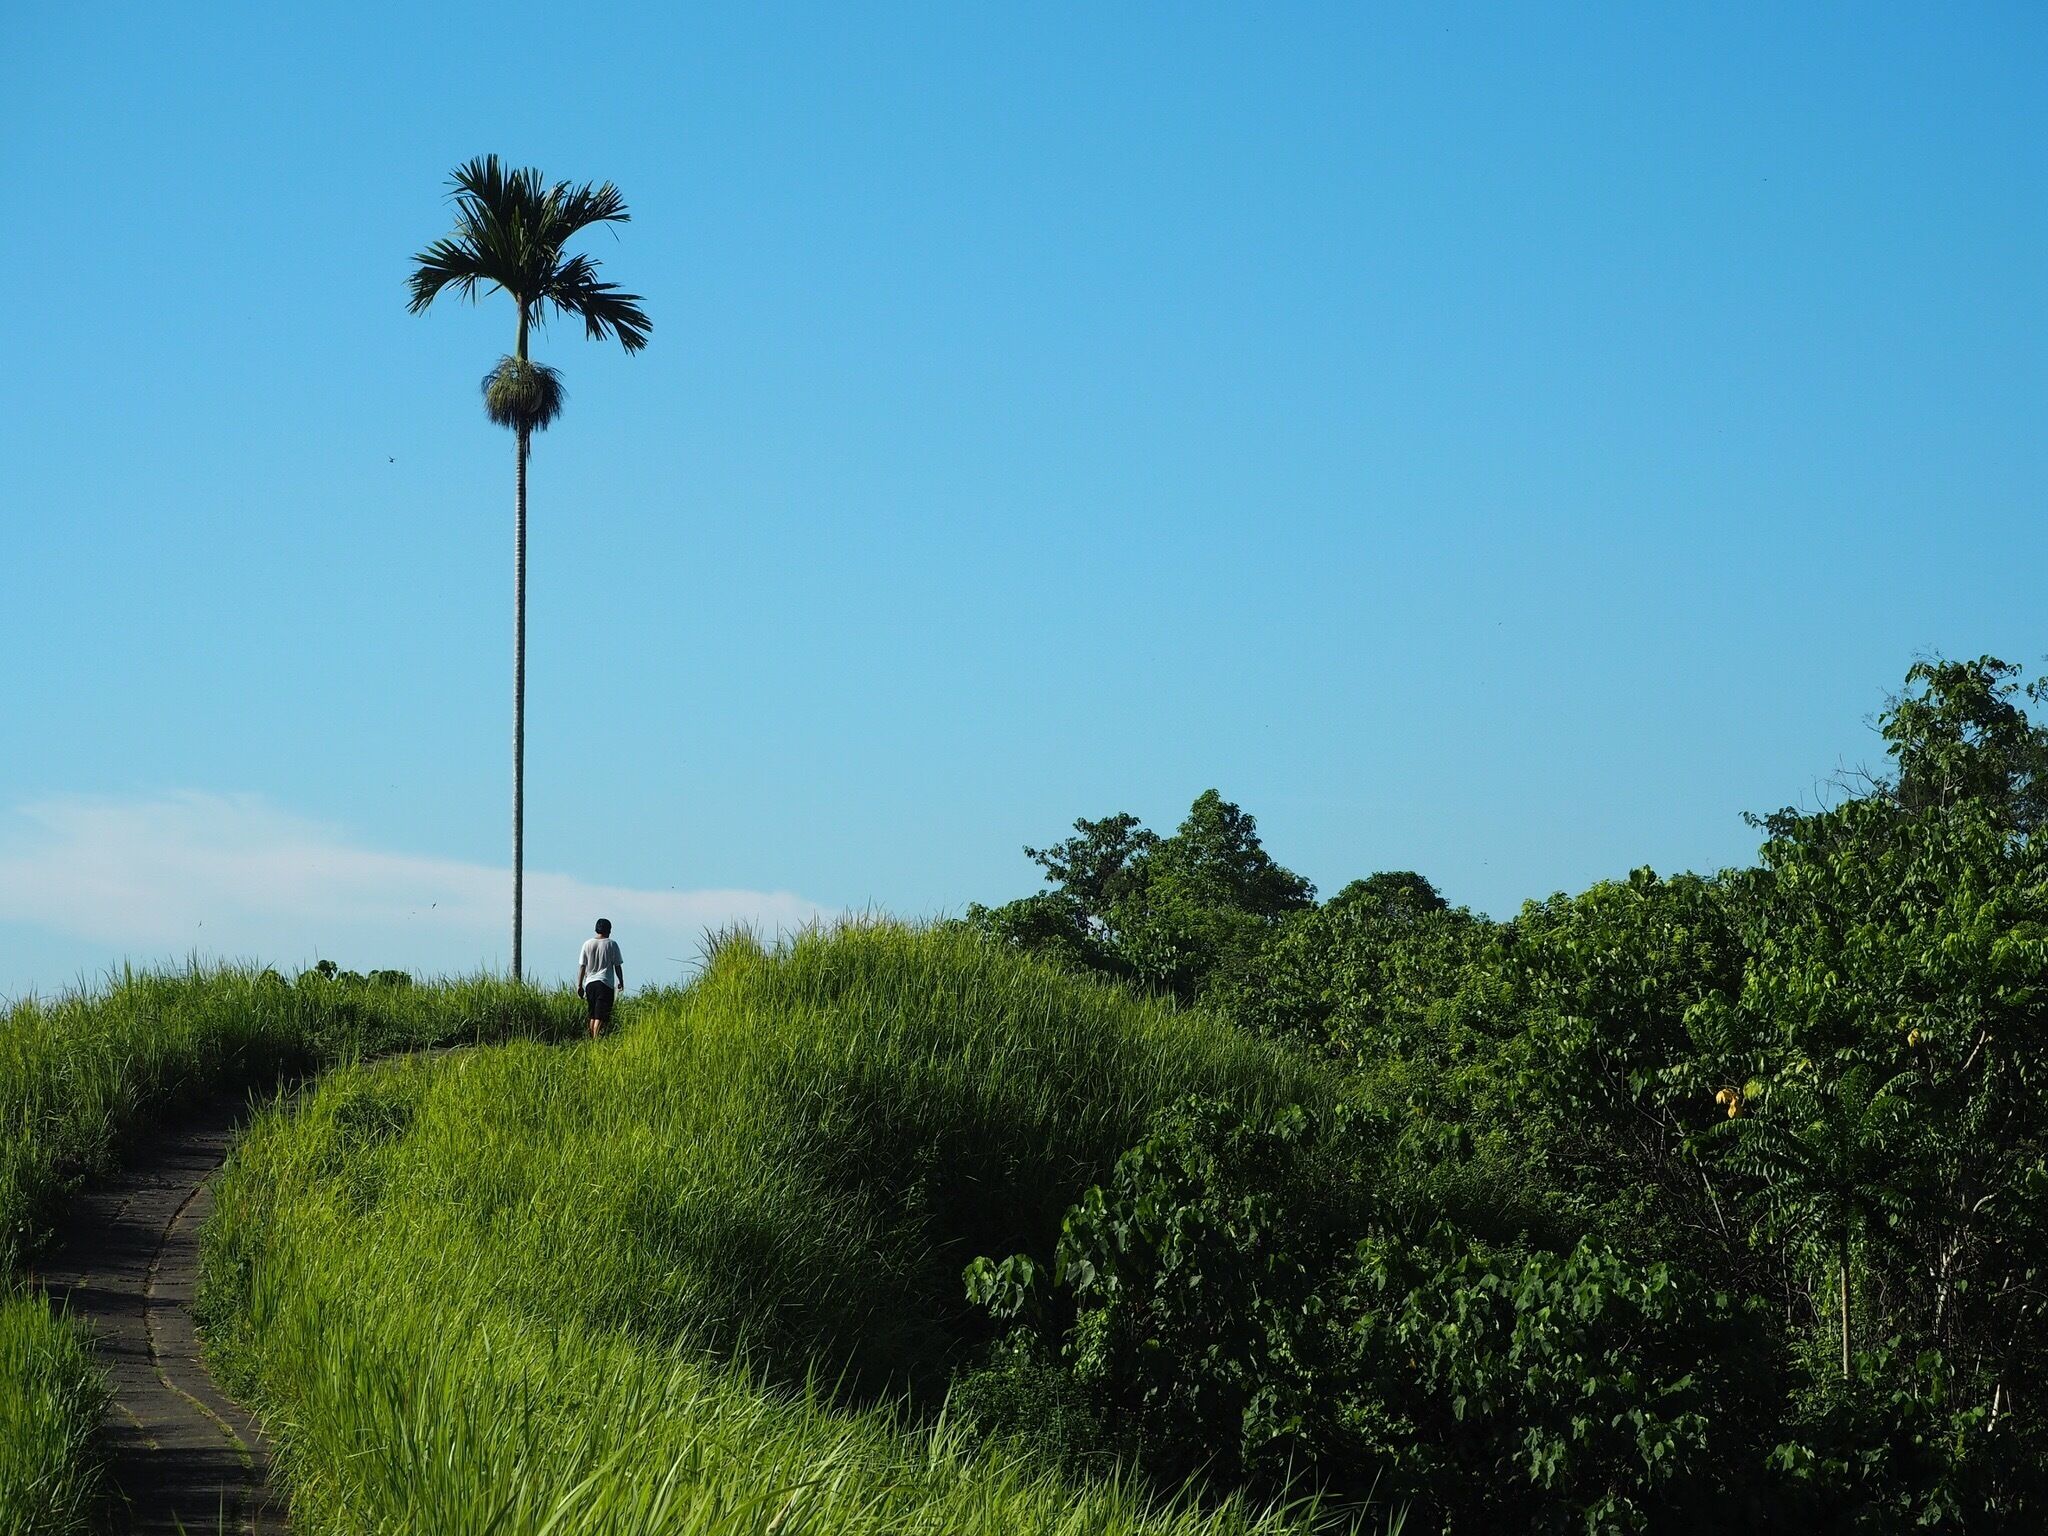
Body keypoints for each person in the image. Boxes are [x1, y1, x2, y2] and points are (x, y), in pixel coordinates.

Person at [577, 918, 624, 1038]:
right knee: (601, 1015)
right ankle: (595, 1040)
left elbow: (582, 966)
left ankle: (592, 1037)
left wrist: (579, 985)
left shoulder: (587, 944)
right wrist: (621, 980)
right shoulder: (611, 944)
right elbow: (617, 965)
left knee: (592, 1014)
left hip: (590, 983)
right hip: (604, 983)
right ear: (609, 930)